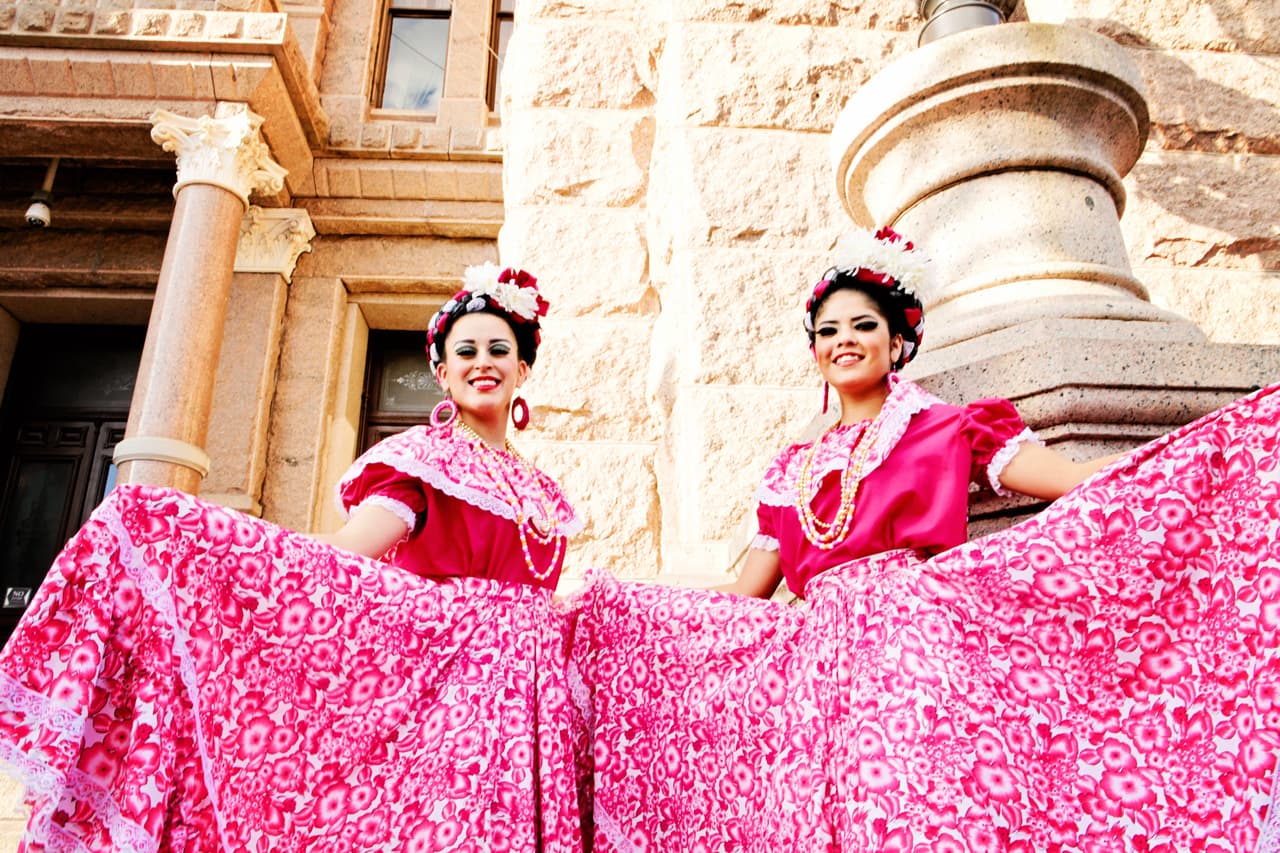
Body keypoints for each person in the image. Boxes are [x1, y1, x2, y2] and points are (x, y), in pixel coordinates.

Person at [568, 227, 1280, 851]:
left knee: (913, 809)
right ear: (814, 351)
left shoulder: (946, 426)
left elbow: (1071, 482)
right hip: (815, 675)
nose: (843, 339)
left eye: (862, 326)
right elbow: (744, 594)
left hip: (916, 649)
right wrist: (624, 605)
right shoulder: (790, 471)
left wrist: (1214, 449)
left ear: (896, 340)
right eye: (828, 330)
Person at [0, 264, 591, 852]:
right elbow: (342, 556)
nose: (482, 361)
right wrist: (202, 542)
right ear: (441, 372)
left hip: (535, 708)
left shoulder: (539, 488)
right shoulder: (424, 463)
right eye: (465, 350)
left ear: (523, 368)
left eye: (498, 348)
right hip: (450, 704)